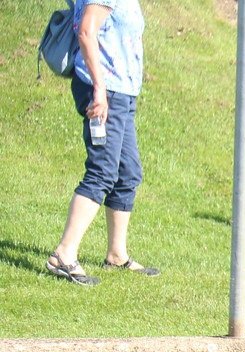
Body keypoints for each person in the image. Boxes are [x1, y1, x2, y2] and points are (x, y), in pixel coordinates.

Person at [46, 1, 159, 287]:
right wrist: (98, 88)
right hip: (104, 92)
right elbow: (86, 31)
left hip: (122, 92)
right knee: (102, 171)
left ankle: (116, 254)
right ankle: (64, 254)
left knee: (127, 171)